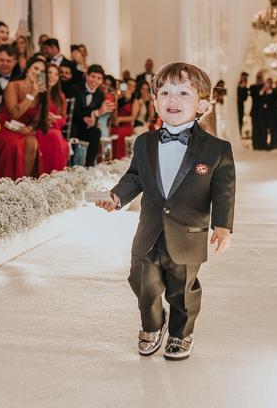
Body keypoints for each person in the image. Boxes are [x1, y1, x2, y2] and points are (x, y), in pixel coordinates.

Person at [96, 61, 236, 361]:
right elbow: (134, 177)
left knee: (182, 291)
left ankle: (181, 333)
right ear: (155, 100)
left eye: (184, 93)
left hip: (188, 233)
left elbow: (223, 191)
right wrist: (117, 197)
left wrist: (223, 226)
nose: (173, 100)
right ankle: (152, 325)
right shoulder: (144, 142)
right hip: (149, 230)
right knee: (143, 283)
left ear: (202, 104)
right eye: (165, 92)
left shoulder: (217, 149)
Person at [0, 56, 48, 181]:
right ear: (28, 69)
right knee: (15, 144)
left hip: (22, 129)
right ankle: (7, 183)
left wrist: (30, 128)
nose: (37, 73)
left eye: (41, 72)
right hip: (3, 126)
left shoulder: (40, 92)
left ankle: (23, 183)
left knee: (32, 143)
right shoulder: (13, 86)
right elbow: (15, 113)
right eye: (35, 68)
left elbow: (37, 118)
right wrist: (32, 94)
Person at [70, 64, 114, 166]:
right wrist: (96, 113)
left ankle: (89, 166)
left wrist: (93, 121)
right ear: (87, 76)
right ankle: (71, 164)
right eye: (93, 76)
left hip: (87, 128)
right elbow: (74, 114)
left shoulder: (100, 95)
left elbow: (96, 118)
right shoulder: (75, 89)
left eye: (99, 78)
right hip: (75, 124)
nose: (95, 80)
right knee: (73, 129)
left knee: (96, 131)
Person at [35, 63, 69, 173]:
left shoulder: (60, 96)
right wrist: (44, 117)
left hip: (55, 127)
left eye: (56, 74)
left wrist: (54, 119)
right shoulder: (38, 91)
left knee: (56, 135)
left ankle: (57, 174)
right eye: (49, 72)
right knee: (54, 136)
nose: (52, 76)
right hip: (39, 127)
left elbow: (64, 119)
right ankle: (45, 173)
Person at [111, 78, 137, 159]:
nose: (130, 87)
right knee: (113, 131)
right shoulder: (119, 99)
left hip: (127, 126)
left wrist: (119, 119)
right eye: (129, 85)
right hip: (116, 125)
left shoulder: (135, 100)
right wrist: (116, 100)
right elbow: (114, 115)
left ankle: (120, 159)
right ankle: (112, 158)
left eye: (133, 86)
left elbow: (133, 117)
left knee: (120, 134)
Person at [250, 72, 266, 150]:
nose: (259, 79)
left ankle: (263, 145)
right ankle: (255, 145)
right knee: (255, 128)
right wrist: (263, 90)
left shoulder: (265, 87)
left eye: (260, 77)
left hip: (263, 112)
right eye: (258, 77)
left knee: (263, 128)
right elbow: (255, 96)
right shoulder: (252, 87)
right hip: (255, 111)